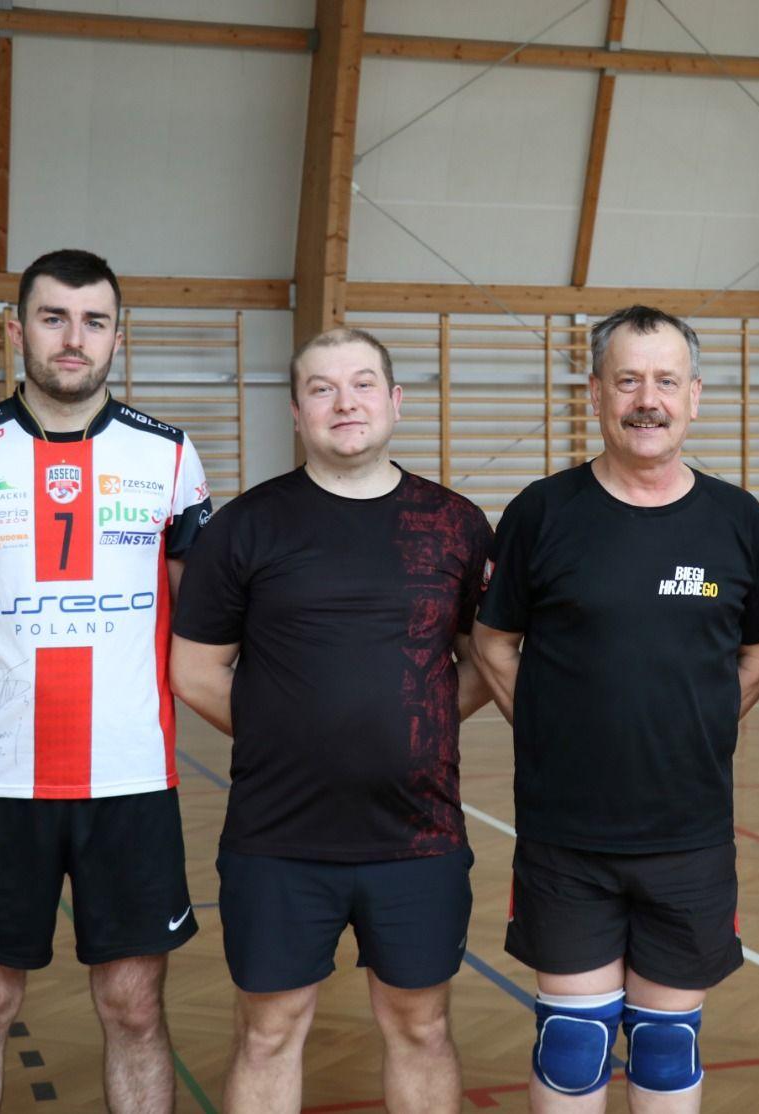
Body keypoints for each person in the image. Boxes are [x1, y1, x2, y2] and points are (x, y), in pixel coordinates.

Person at [0, 248, 213, 1113]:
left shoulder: (169, 456)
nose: (73, 339)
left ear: (118, 336)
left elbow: (197, 618)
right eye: (53, 318)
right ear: (17, 330)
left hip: (131, 779)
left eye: (94, 321)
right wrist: (14, 688)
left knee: (134, 1009)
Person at [169, 328, 492, 1114]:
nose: (345, 402)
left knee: (421, 1028)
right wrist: (291, 735)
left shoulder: (454, 523)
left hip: (418, 835)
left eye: (362, 384)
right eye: (322, 388)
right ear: (296, 410)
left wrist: (415, 724)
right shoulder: (247, 526)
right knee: (268, 1034)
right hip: (278, 836)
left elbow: (487, 659)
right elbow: (195, 671)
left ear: (395, 401)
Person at [470, 305, 759, 1114]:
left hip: (689, 835)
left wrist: (697, 726)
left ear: (695, 396)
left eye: (666, 381)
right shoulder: (543, 512)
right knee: (572, 1047)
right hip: (567, 838)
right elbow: (493, 644)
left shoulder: (739, 521)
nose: (648, 400)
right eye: (629, 380)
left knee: (666, 1050)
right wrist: (552, 730)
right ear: (596, 393)